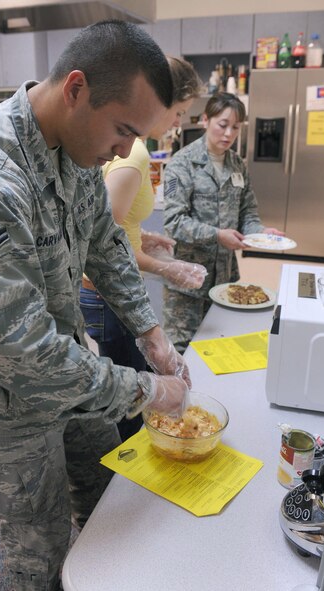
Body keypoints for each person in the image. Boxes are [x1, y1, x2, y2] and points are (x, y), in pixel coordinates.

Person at [0, 21, 191, 591]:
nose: (126, 151)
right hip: (8, 408)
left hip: (72, 371)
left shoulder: (78, 150)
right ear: (75, 88)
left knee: (108, 497)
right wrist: (148, 390)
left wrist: (149, 331)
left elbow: (104, 239)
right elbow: (24, 359)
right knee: (39, 549)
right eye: (123, 130)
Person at [80, 56, 206, 441]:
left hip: (114, 290)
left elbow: (109, 225)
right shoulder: (132, 155)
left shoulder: (131, 152)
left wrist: (144, 239)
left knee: (132, 378)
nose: (177, 124)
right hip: (106, 294)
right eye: (179, 113)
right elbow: (104, 246)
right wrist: (166, 268)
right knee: (130, 403)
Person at [162, 92, 284, 353]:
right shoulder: (182, 165)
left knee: (220, 345)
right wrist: (217, 235)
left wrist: (261, 232)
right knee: (183, 350)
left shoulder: (237, 165)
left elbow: (247, 213)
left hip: (225, 278)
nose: (229, 134)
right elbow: (174, 222)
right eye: (222, 125)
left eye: (236, 127)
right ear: (206, 120)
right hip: (188, 281)